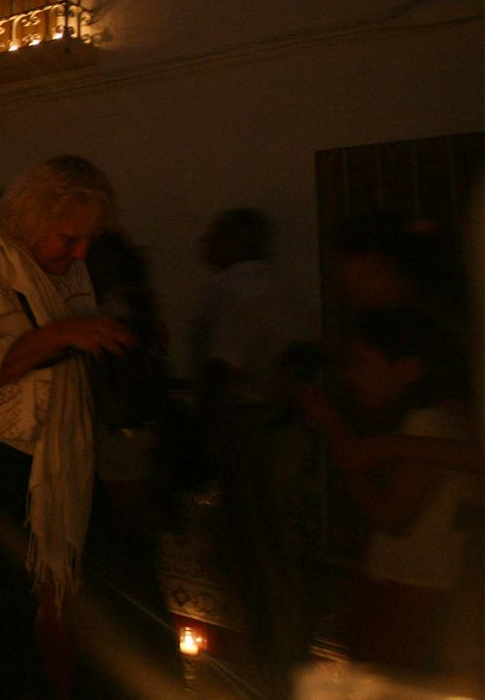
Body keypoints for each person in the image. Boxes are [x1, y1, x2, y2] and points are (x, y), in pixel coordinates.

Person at [0, 156, 140, 700]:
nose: (81, 252)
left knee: (81, 599)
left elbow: (79, 344)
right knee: (4, 616)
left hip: (59, 455)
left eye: (89, 239)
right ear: (36, 219)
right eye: (69, 237)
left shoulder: (68, 266)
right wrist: (63, 335)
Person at [293, 307, 481, 676]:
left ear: (407, 369)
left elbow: (390, 519)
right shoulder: (427, 424)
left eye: (361, 363)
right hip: (407, 587)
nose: (352, 377)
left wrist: (335, 429)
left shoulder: (425, 425)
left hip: (411, 590)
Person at [191, 208, 307, 698]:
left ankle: (271, 669)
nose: (207, 243)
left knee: (256, 552)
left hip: (247, 425)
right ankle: (289, 662)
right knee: (282, 549)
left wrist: (206, 435)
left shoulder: (232, 289)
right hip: (290, 425)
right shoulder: (285, 287)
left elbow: (222, 365)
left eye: (216, 234)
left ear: (238, 239)